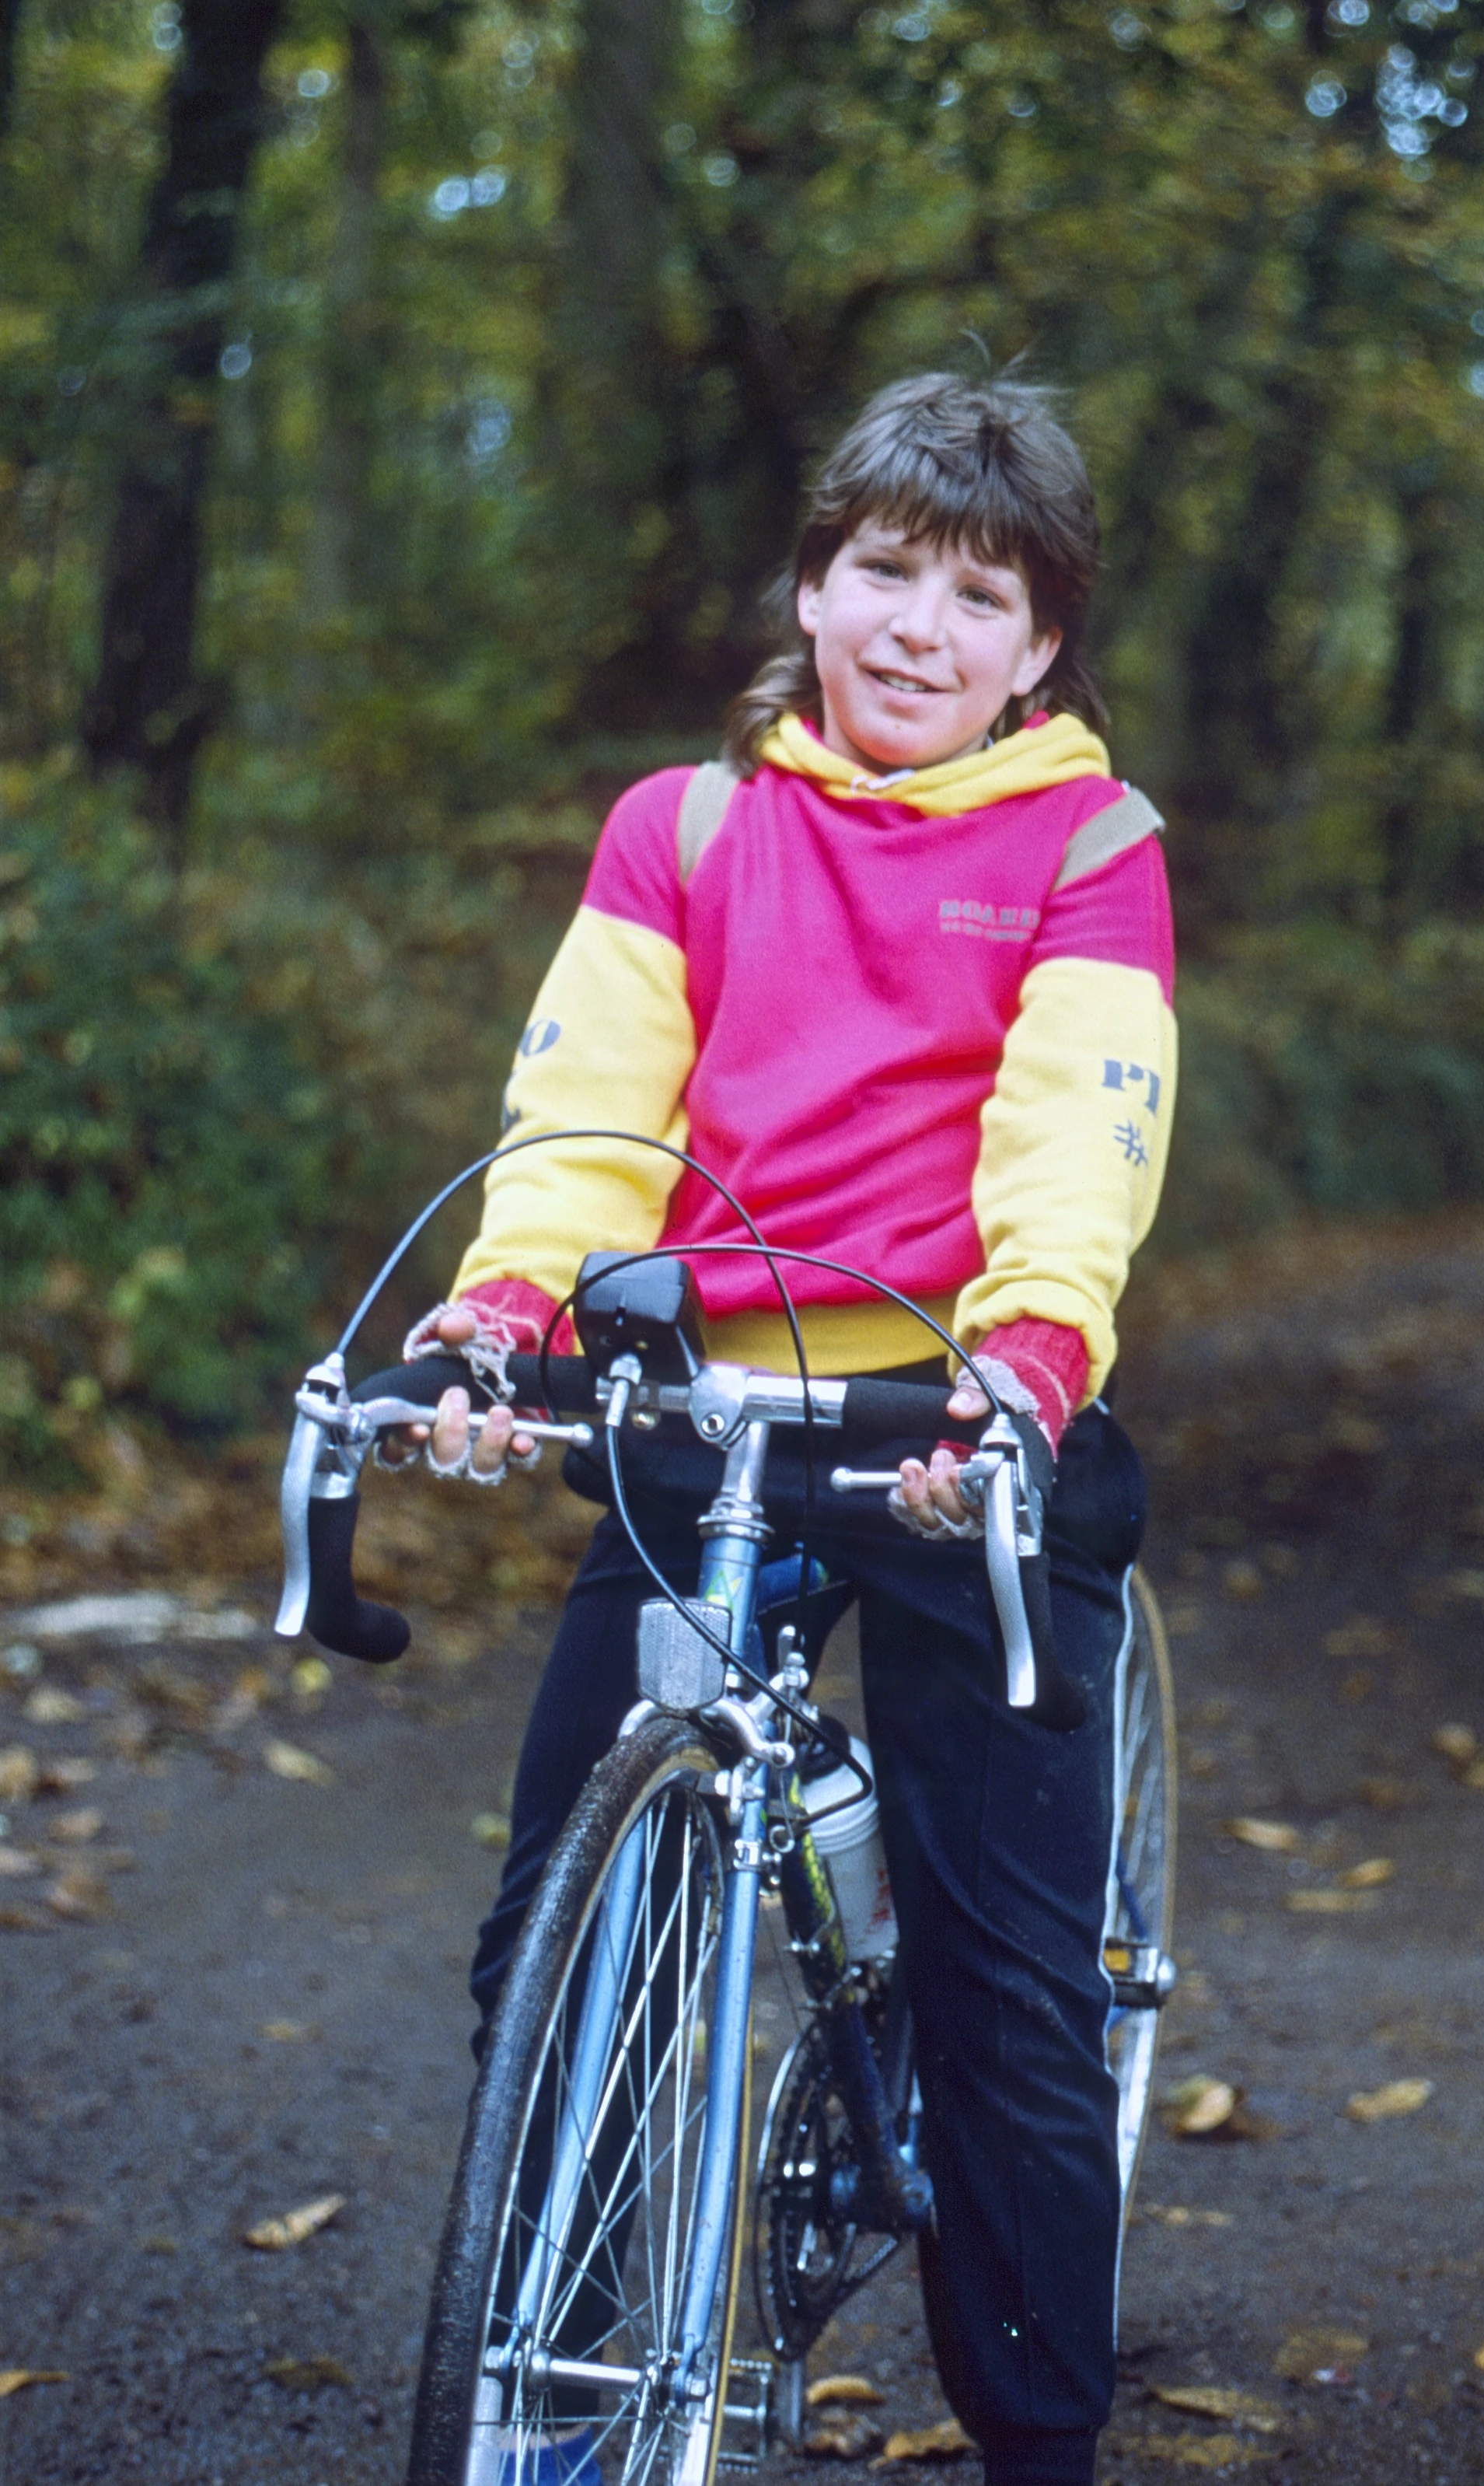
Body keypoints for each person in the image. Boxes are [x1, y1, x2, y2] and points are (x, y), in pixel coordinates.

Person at [404, 370, 1176, 2486]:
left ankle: (1033, 2444)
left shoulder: (1087, 845)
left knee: (1007, 1992)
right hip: (708, 1422)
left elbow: (1073, 1143)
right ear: (814, 583)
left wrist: (1023, 1360)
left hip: (956, 1430)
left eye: (973, 591)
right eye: (880, 568)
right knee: (550, 1946)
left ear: (1038, 646)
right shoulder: (687, 826)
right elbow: (581, 1117)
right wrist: (499, 1308)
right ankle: (559, 2405)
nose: (915, 625)